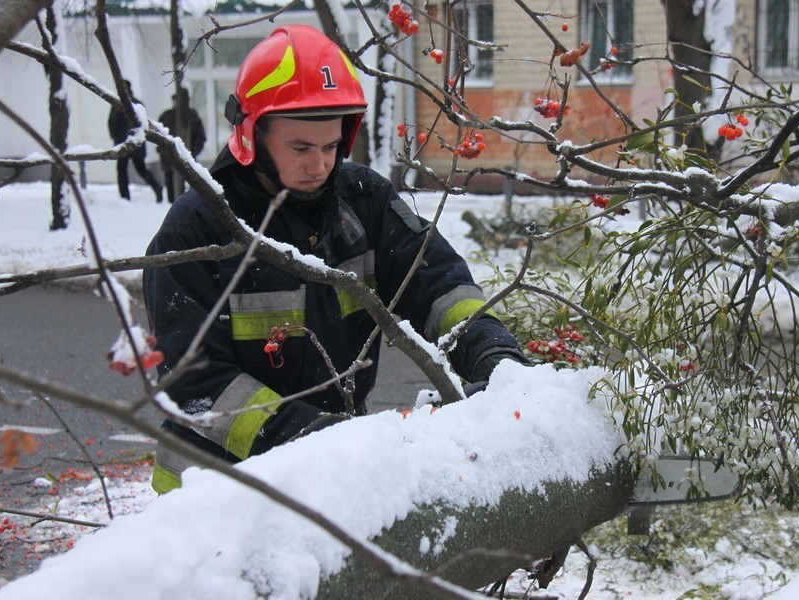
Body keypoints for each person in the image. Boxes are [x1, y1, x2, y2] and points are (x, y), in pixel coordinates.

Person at [143, 25, 528, 494]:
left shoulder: (363, 202)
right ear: (253, 136)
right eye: (300, 148)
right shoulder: (198, 228)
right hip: (215, 491)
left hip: (331, 473)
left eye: (330, 146)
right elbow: (192, 379)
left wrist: (493, 353)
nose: (319, 164)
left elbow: (436, 282)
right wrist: (304, 434)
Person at [108, 80, 163, 202]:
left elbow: (112, 123)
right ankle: (156, 187)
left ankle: (125, 197)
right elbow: (144, 124)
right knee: (141, 168)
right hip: (138, 142)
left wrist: (115, 136)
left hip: (123, 143)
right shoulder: (138, 104)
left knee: (122, 170)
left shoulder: (118, 104)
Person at [157, 91, 206, 203]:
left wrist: (193, 152)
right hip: (169, 157)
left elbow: (200, 137)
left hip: (187, 155)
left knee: (191, 181)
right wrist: (164, 151)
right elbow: (158, 136)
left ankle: (188, 203)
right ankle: (173, 203)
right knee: (171, 181)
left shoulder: (191, 116)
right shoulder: (166, 116)